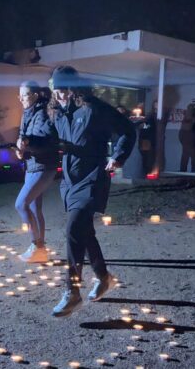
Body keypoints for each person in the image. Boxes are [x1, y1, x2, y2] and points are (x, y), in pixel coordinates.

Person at [47, 65, 136, 317]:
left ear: (75, 87)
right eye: (57, 89)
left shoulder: (94, 108)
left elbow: (127, 130)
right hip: (70, 178)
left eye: (65, 88)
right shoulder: (57, 112)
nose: (61, 94)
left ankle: (72, 292)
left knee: (74, 228)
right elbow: (52, 138)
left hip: (92, 176)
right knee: (84, 231)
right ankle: (103, 277)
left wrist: (118, 157)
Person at [14, 81, 59, 263]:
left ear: (35, 95)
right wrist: (21, 149)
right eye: (19, 95)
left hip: (43, 166)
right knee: (34, 207)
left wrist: (27, 143)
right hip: (32, 165)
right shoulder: (29, 112)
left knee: (21, 204)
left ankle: (36, 246)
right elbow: (25, 137)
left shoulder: (42, 113)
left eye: (24, 95)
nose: (21, 99)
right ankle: (41, 250)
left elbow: (45, 141)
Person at [178, 103, 195, 172]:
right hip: (189, 139)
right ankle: (189, 172)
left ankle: (185, 171)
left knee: (188, 157)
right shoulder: (189, 118)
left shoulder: (190, 118)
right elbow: (182, 130)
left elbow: (181, 132)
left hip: (190, 140)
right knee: (189, 157)